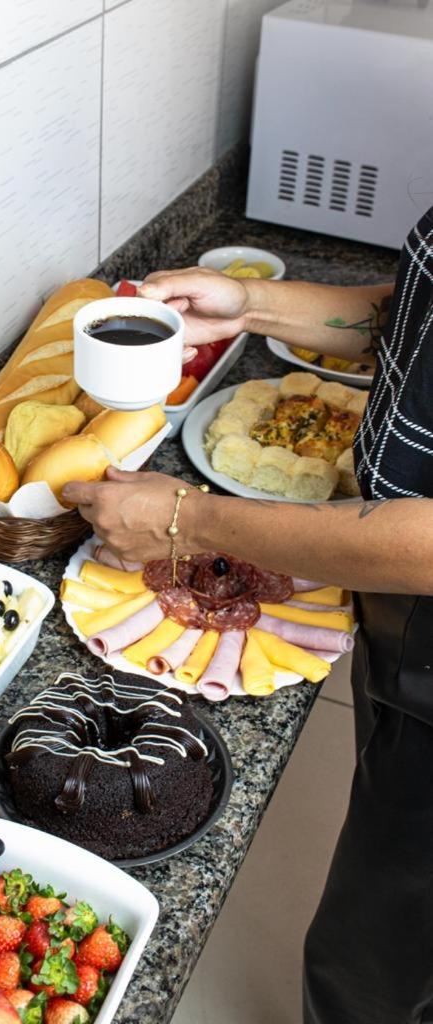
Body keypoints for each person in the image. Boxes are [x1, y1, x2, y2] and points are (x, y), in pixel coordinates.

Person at [62, 204, 433, 1024]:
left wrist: (188, 520)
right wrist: (252, 305)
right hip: (400, 620)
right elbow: (416, 321)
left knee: (374, 969)